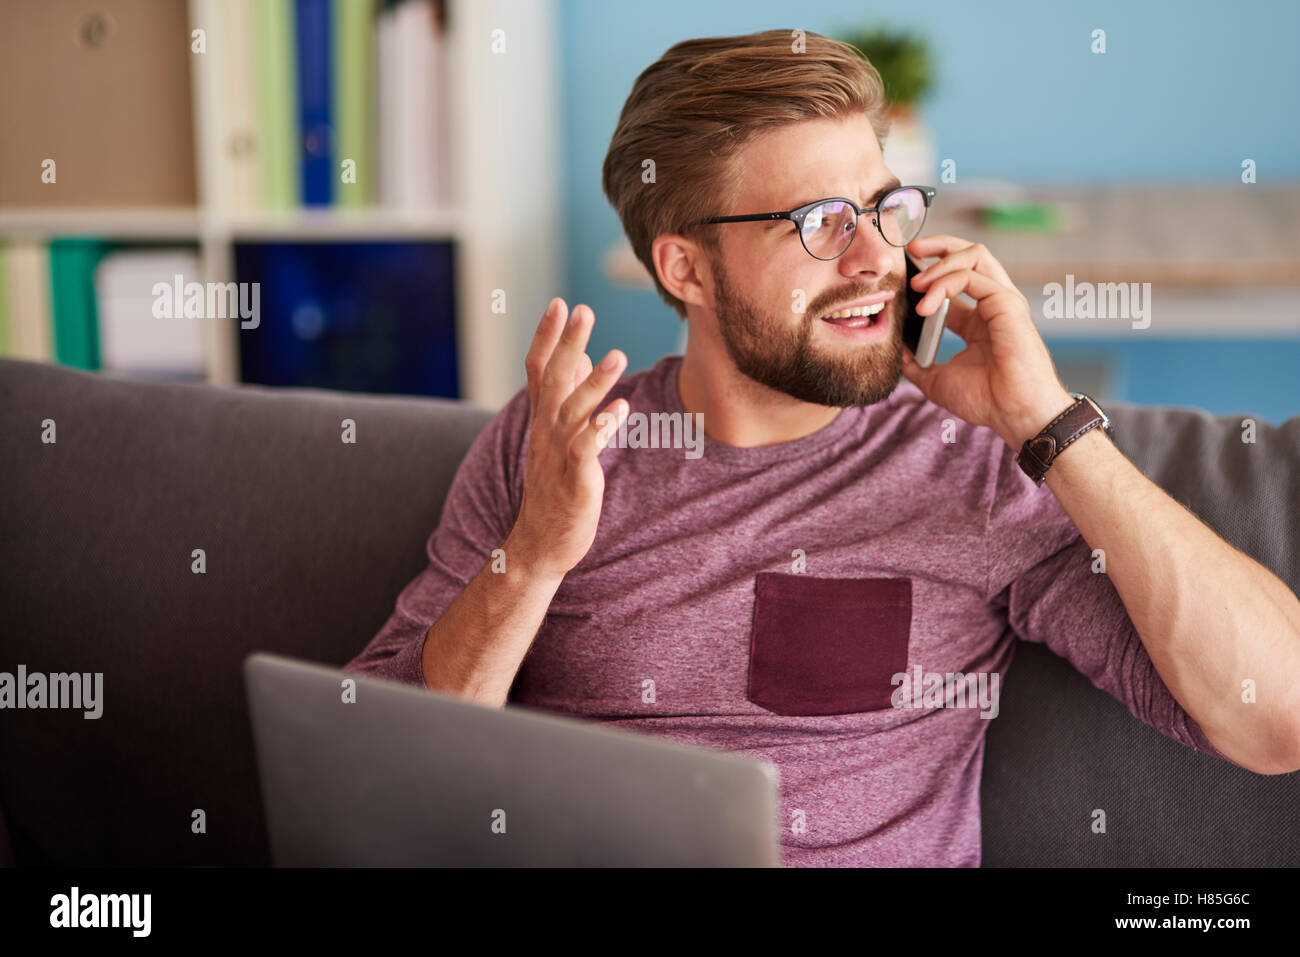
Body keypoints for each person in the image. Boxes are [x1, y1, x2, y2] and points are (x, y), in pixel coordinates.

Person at [345, 29, 1300, 866]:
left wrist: (1046, 420)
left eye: (886, 207)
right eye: (821, 224)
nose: (877, 259)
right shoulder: (554, 446)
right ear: (687, 267)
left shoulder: (977, 465)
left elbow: (1278, 718)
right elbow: (373, 781)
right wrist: (535, 559)